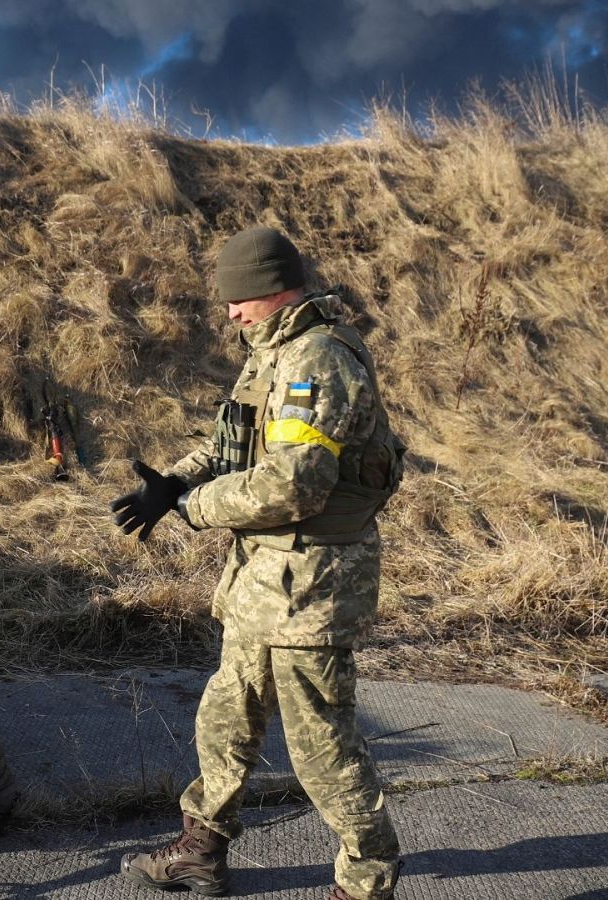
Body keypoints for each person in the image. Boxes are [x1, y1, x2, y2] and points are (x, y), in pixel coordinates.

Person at [110, 226, 407, 900]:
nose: (230, 313)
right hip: (261, 583)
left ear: (271, 290)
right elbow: (230, 446)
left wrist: (195, 509)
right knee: (226, 716)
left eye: (237, 300)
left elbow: (293, 485)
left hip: (312, 586)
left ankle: (367, 881)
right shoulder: (272, 353)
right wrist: (173, 485)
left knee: (321, 746)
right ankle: (201, 851)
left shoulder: (317, 361)